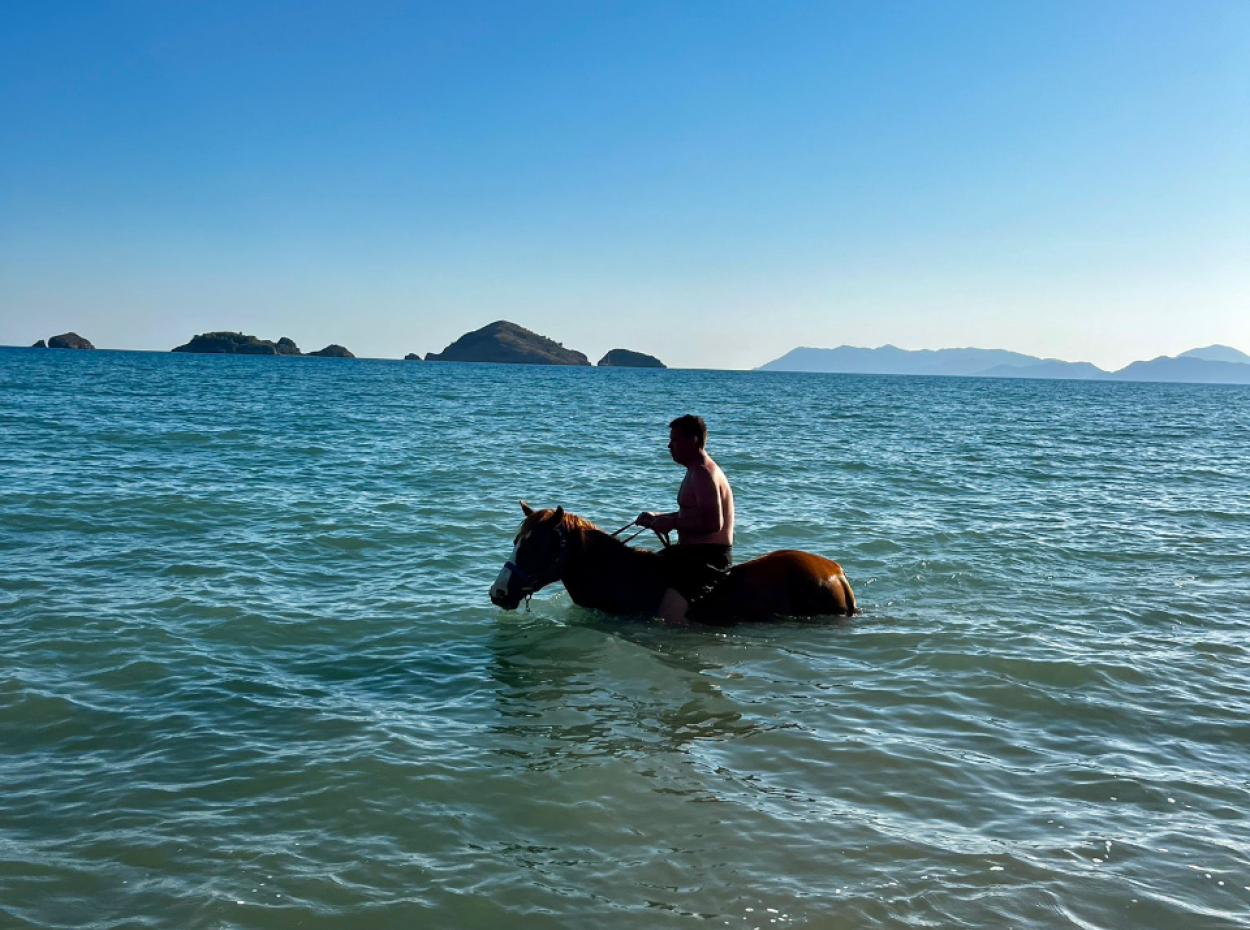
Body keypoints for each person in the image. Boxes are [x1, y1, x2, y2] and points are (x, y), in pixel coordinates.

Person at [636, 414, 735, 623]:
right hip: (689, 555)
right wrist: (658, 517)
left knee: (667, 617)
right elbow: (693, 514)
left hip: (707, 561)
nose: (669, 445)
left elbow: (713, 523)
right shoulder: (694, 470)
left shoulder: (703, 472)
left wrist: (672, 523)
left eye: (675, 440)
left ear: (694, 440)